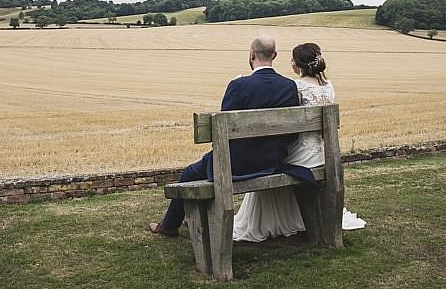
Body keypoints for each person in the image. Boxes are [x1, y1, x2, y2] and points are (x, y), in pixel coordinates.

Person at [149, 35, 300, 236]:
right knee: (199, 170)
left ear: (251, 54)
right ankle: (187, 221)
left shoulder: (239, 85)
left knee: (188, 175)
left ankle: (168, 226)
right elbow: (292, 133)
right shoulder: (289, 86)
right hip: (273, 160)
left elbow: (224, 133)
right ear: (275, 55)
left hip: (237, 164)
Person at [232, 42, 366, 242]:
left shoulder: (295, 87)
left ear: (299, 64)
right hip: (322, 153)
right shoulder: (329, 87)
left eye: (292, 60)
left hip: (301, 156)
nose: (291, 64)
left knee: (270, 160)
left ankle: (267, 221)